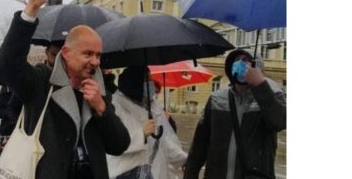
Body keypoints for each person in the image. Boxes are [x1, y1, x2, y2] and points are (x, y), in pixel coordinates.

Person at [0, 0, 131, 179]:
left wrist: (102, 109)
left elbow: (119, 145)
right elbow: (6, 65)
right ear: (66, 53)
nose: (95, 61)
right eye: (87, 54)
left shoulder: (98, 93)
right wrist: (31, 9)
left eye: (98, 55)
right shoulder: (41, 82)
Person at [183, 49, 286, 179]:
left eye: (246, 61)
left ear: (257, 67)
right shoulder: (217, 98)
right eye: (236, 61)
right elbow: (199, 145)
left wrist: (260, 84)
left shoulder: (272, 95)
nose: (240, 64)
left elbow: (279, 122)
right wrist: (190, 174)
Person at [106, 66, 158, 179]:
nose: (150, 84)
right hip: (123, 173)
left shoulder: (138, 105)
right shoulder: (115, 105)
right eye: (147, 80)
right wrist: (142, 134)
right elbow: (115, 141)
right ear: (134, 82)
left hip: (141, 169)